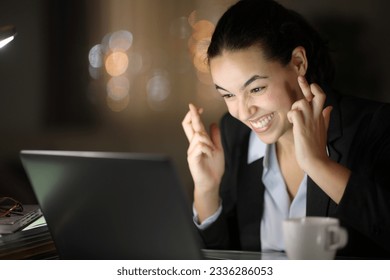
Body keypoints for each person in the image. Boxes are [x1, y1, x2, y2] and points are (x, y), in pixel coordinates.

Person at [182, 0, 390, 258]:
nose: (244, 112)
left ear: (298, 62)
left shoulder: (376, 126)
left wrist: (319, 165)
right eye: (228, 95)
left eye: (256, 89)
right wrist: (206, 189)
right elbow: (223, 261)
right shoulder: (234, 134)